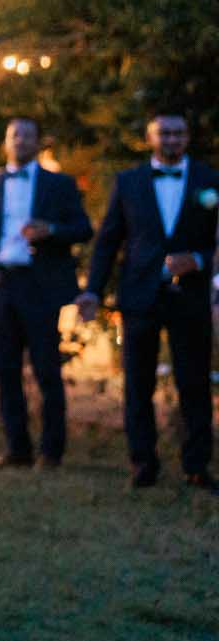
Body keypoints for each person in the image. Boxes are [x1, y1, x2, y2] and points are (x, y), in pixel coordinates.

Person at [79, 113, 218, 492]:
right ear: (150, 137)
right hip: (140, 296)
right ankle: (142, 463)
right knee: (138, 384)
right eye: (164, 133)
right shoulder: (129, 182)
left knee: (194, 382)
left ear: (187, 137)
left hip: (189, 297)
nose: (171, 139)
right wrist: (93, 288)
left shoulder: (210, 180)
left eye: (178, 132)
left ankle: (196, 465)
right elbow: (108, 240)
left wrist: (200, 260)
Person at [0, 117, 94, 469]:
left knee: (46, 370)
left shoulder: (59, 184)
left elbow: (83, 229)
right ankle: (17, 448)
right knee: (5, 371)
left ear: (38, 143)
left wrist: (50, 230)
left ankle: (52, 451)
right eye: (14, 135)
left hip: (39, 286)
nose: (20, 141)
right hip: (1, 284)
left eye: (27, 135)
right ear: (5, 142)